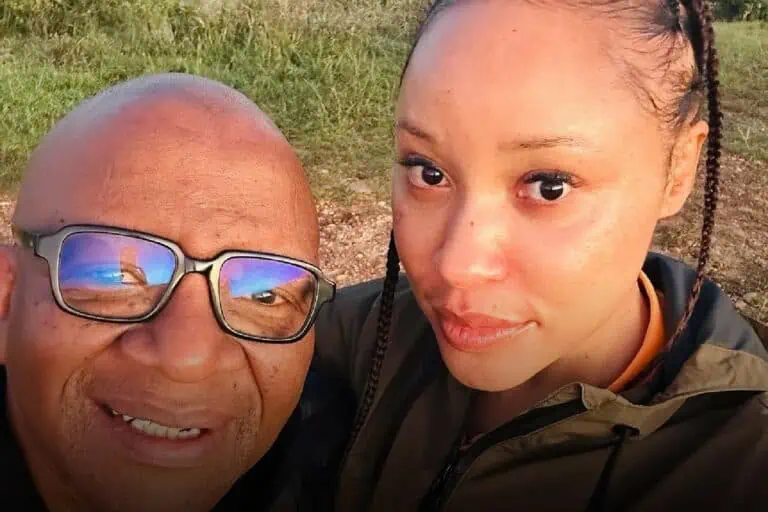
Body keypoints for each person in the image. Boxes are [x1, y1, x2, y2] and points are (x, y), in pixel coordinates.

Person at [314, 0, 768, 510]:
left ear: (678, 169)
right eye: (428, 172)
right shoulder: (355, 336)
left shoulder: (741, 467)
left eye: (549, 186)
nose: (456, 267)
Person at [0, 73, 340, 511]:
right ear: (6, 300)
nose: (187, 359)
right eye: (114, 276)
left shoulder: (344, 461)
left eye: (263, 295)